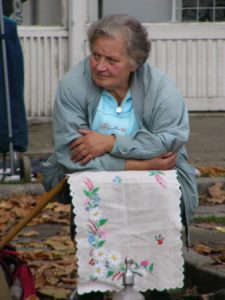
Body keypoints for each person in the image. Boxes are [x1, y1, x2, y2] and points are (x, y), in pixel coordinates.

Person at [41, 14, 198, 300]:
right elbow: (71, 155)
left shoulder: (159, 87)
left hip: (153, 191)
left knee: (151, 273)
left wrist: (110, 142)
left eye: (111, 60)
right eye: (95, 55)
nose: (100, 66)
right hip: (98, 189)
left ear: (134, 63)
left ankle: (152, 290)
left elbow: (170, 140)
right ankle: (92, 291)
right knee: (94, 221)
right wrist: (142, 164)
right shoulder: (73, 86)